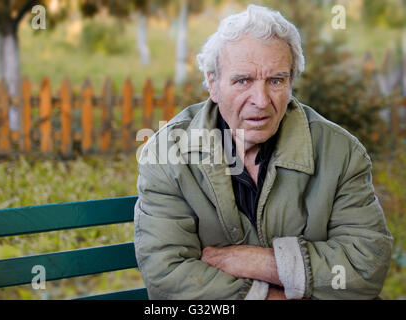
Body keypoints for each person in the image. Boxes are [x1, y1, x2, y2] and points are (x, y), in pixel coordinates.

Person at [133, 4, 393, 300]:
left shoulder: (341, 152)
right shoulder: (168, 154)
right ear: (213, 84)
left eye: (276, 81)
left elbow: (366, 267)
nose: (261, 100)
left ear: (291, 82)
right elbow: (169, 277)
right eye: (243, 80)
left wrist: (259, 261)